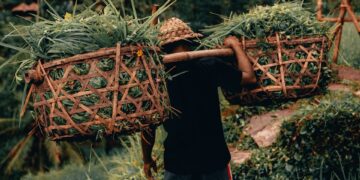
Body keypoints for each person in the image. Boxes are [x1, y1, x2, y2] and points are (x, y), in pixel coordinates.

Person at [141, 17, 256, 180]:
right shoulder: (210, 66)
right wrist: (236, 45)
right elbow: (249, 78)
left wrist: (147, 159)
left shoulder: (157, 79)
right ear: (189, 40)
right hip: (214, 162)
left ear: (163, 48)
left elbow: (148, 127)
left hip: (178, 166)